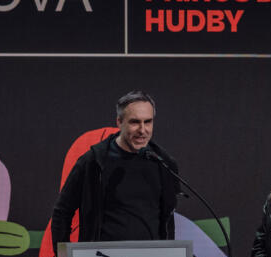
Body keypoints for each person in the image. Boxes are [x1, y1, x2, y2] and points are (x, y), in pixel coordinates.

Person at [50, 90, 179, 248]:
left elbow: (168, 218)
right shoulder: (93, 161)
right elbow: (62, 212)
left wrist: (170, 253)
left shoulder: (163, 163)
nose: (142, 130)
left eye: (148, 122)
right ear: (119, 122)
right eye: (135, 122)